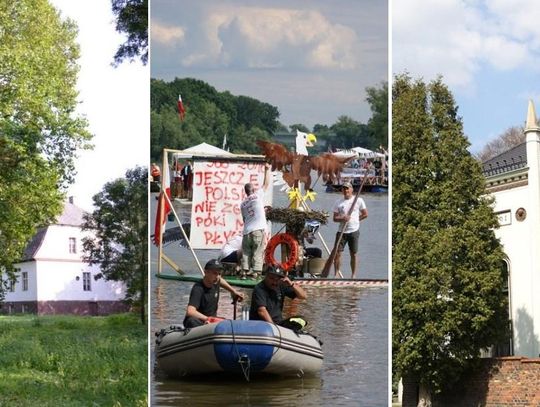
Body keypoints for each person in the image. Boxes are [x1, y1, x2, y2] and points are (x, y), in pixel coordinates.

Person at [183, 259, 244, 328]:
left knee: (228, 323)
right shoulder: (198, 288)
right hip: (199, 320)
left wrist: (233, 291)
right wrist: (207, 319)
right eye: (215, 273)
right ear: (206, 272)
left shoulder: (215, 281)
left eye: (219, 274)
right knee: (192, 321)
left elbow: (221, 281)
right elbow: (190, 311)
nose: (217, 276)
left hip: (212, 320)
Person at [240, 163, 271, 278]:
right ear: (253, 190)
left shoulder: (242, 204)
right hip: (258, 229)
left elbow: (244, 219)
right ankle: (256, 272)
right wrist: (267, 170)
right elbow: (266, 184)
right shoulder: (258, 196)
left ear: (245, 192)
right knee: (258, 251)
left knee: (246, 252)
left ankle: (244, 272)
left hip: (247, 231)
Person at [332, 181, 368, 279]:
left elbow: (365, 214)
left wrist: (356, 220)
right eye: (344, 188)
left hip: (354, 231)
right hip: (341, 231)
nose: (345, 190)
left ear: (351, 190)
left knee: (354, 253)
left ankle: (353, 275)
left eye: (347, 188)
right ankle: (336, 274)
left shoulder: (358, 200)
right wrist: (342, 218)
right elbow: (334, 218)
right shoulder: (338, 202)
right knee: (338, 253)